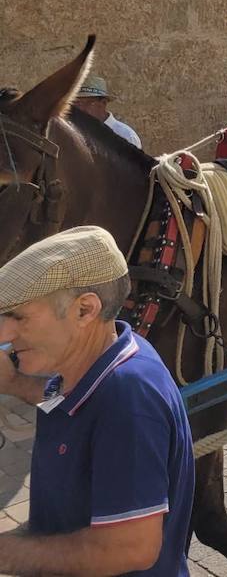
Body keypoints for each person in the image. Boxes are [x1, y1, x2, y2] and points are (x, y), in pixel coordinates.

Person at [0, 227, 193, 577]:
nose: (3, 335)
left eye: (18, 317)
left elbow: (128, 548)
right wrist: (13, 382)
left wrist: (6, 554)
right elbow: (65, 399)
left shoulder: (127, 398)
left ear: (85, 309)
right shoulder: (92, 363)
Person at [69, 75, 141, 148]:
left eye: (89, 103)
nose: (81, 109)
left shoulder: (126, 135)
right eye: (78, 103)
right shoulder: (72, 133)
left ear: (103, 103)